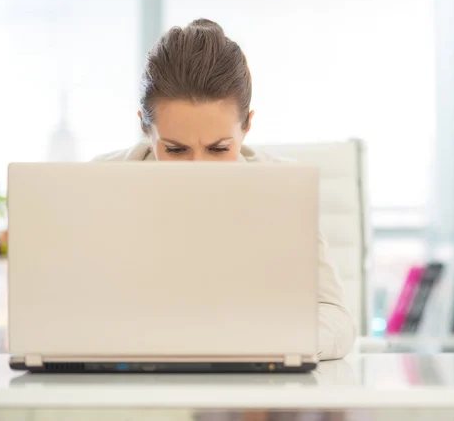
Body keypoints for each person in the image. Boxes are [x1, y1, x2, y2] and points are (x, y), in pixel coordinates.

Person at [95, 18, 355, 361]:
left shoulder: (282, 190)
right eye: (175, 149)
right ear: (146, 126)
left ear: (247, 124)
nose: (198, 170)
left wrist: (276, 342)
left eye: (218, 149)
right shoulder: (98, 186)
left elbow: (335, 316)